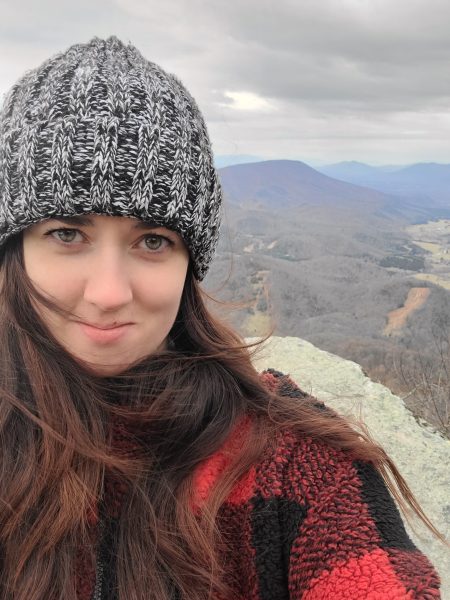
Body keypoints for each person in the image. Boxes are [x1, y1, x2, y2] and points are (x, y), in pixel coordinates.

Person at [0, 36, 443, 600]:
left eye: (152, 241)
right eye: (67, 234)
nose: (109, 293)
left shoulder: (292, 464)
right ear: (15, 252)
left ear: (190, 263)